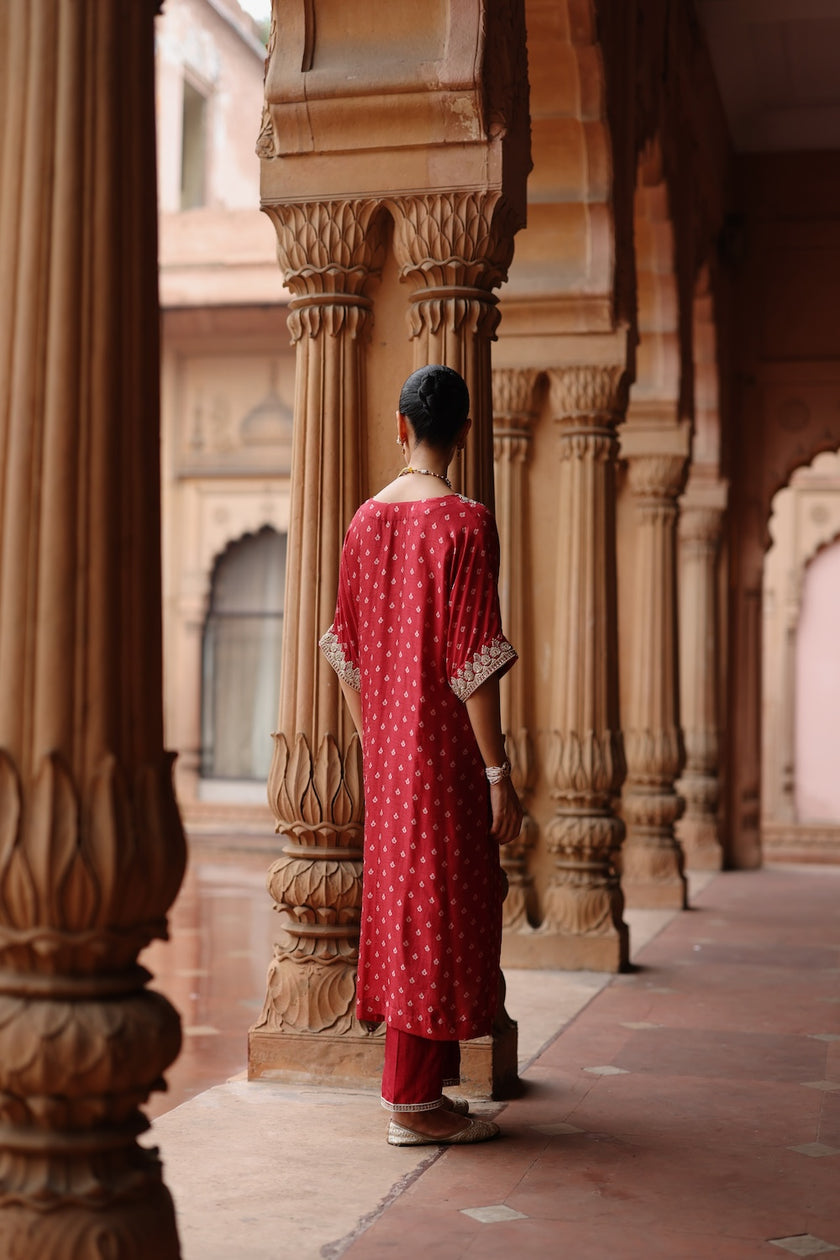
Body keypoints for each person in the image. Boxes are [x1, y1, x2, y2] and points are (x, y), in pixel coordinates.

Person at [319, 364, 523, 1146]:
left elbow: (342, 652)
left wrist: (376, 738)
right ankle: (409, 1100)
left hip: (394, 752)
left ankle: (424, 1090)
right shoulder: (467, 524)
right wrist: (497, 772)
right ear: (462, 435)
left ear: (401, 428)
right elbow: (475, 665)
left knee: (409, 902)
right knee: (444, 902)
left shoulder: (366, 521)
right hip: (446, 755)